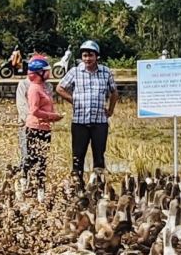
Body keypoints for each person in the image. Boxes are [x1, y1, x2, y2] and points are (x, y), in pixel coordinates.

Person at [55, 39, 118, 183]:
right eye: (84, 56)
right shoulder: (75, 71)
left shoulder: (105, 72)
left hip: (99, 122)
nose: (87, 59)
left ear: (97, 57)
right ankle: (78, 188)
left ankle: (98, 187)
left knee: (99, 156)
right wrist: (74, 100)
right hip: (79, 122)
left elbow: (114, 92)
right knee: (78, 156)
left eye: (90, 55)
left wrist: (110, 110)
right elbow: (60, 88)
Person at [21, 56, 61, 186]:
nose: (49, 73)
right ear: (39, 73)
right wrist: (51, 116)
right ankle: (27, 185)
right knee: (33, 159)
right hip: (35, 127)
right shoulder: (34, 88)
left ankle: (39, 188)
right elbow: (34, 111)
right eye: (46, 71)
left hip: (44, 128)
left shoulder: (43, 87)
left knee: (42, 160)